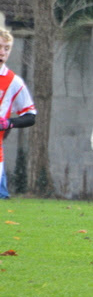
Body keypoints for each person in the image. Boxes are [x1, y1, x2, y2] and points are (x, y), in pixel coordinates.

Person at [0, 28, 36, 192]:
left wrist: (9, 123)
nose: (2, 52)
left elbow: (30, 116)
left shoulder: (14, 81)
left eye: (6, 48)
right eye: (0, 47)